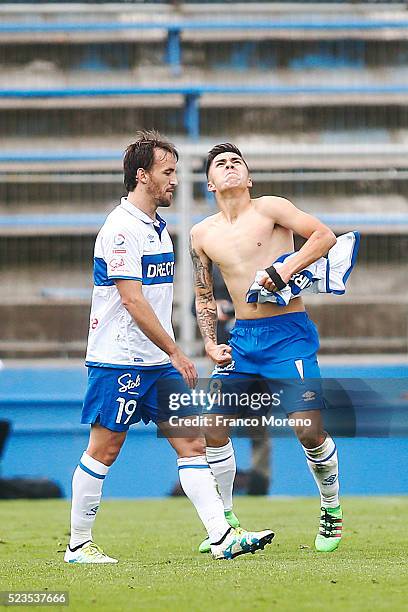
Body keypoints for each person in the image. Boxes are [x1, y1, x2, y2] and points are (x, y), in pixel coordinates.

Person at [64, 131, 274, 563]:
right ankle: (78, 545)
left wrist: (169, 355)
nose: (175, 180)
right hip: (118, 359)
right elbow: (132, 299)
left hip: (155, 362)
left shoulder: (158, 230)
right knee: (104, 449)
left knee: (192, 443)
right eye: (168, 172)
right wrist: (178, 352)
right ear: (142, 176)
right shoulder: (121, 229)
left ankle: (220, 536)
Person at [189, 143, 343, 554]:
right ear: (210, 183)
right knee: (211, 424)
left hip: (288, 334)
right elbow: (204, 295)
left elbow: (324, 235)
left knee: (308, 431)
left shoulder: (271, 207)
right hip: (242, 340)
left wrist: (284, 268)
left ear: (249, 177)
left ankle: (331, 511)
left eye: (237, 162)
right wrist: (209, 342)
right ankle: (225, 522)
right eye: (221, 164)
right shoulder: (201, 233)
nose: (230, 167)